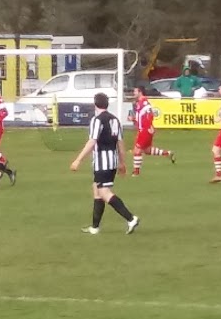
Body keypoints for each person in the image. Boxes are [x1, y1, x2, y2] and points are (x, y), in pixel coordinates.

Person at [69, 92, 140, 235]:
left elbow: (92, 141)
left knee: (104, 192)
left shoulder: (97, 120)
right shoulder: (115, 120)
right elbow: (120, 143)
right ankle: (95, 228)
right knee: (97, 190)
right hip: (111, 162)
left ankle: (131, 218)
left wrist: (78, 160)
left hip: (102, 162)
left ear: (95, 104)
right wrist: (121, 162)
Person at [129, 85, 175, 176]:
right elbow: (141, 117)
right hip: (144, 129)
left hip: (145, 130)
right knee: (146, 150)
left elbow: (150, 115)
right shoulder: (140, 103)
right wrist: (134, 119)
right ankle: (167, 153)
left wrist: (149, 126)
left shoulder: (144, 103)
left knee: (137, 150)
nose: (134, 93)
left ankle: (136, 172)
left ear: (140, 92)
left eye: (135, 91)